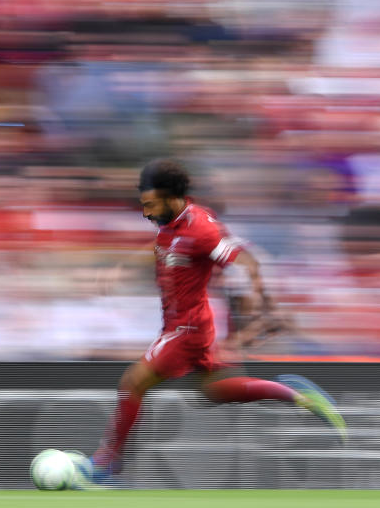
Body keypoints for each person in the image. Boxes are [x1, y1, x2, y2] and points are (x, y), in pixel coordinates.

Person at [89, 159, 347, 483]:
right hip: (193, 323)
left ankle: (105, 463)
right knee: (213, 392)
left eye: (150, 204)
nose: (146, 212)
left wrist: (260, 304)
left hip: (186, 328)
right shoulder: (172, 221)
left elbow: (245, 262)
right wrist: (124, 267)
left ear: (171, 197)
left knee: (133, 383)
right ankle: (292, 392)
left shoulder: (202, 228)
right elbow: (163, 245)